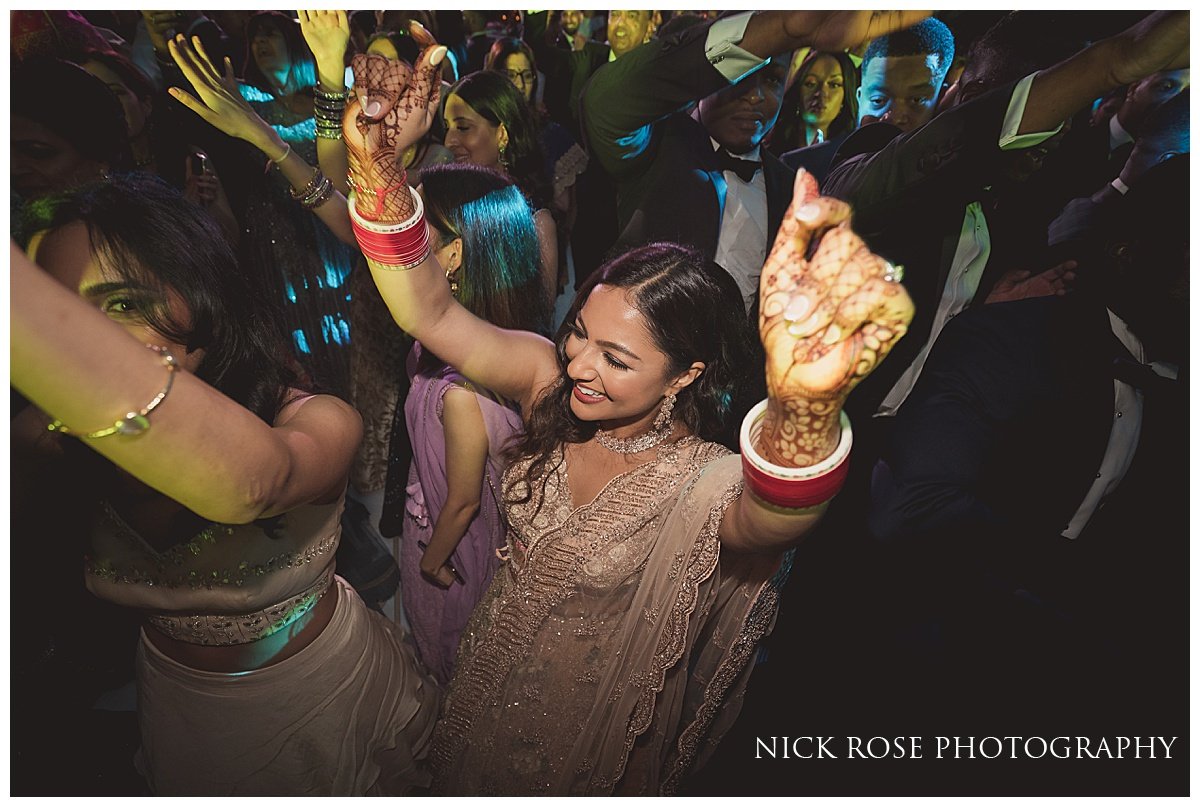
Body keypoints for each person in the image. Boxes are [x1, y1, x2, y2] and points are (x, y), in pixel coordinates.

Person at [339, 14, 917, 793]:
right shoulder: (548, 379)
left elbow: (771, 523)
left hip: (586, 735)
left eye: (616, 358)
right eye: (579, 332)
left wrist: (805, 408)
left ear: (685, 375)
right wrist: (378, 172)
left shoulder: (701, 480)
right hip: (483, 676)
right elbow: (430, 313)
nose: (577, 361)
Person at [10, 175, 438, 795]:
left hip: (319, 696)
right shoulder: (45, 440)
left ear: (201, 293)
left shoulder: (314, 419)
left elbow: (256, 483)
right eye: (67, 316)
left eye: (123, 304)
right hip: (177, 704)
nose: (92, 347)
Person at [399, 163, 550, 685]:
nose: (404, 235)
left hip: (451, 545)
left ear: (454, 254)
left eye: (417, 226)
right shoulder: (450, 345)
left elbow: (464, 501)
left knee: (450, 658)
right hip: (431, 517)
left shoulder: (463, 392)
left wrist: (431, 563)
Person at [443, 70, 559, 307]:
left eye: (463, 128)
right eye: (447, 127)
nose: (449, 141)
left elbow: (538, 319)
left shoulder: (535, 221)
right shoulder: (444, 204)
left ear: (502, 135)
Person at [486, 35, 589, 299]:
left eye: (526, 75)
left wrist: (557, 263)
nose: (519, 85)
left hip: (541, 264)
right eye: (510, 74)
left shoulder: (551, 136)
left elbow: (569, 212)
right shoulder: (478, 134)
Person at [854, 17, 955, 132]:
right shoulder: (832, 149)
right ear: (859, 98)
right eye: (878, 100)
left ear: (943, 99)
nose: (896, 118)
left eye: (916, 100)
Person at [770, 49, 860, 153]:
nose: (821, 93)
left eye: (833, 85)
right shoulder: (771, 150)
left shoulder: (851, 154)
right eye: (811, 84)